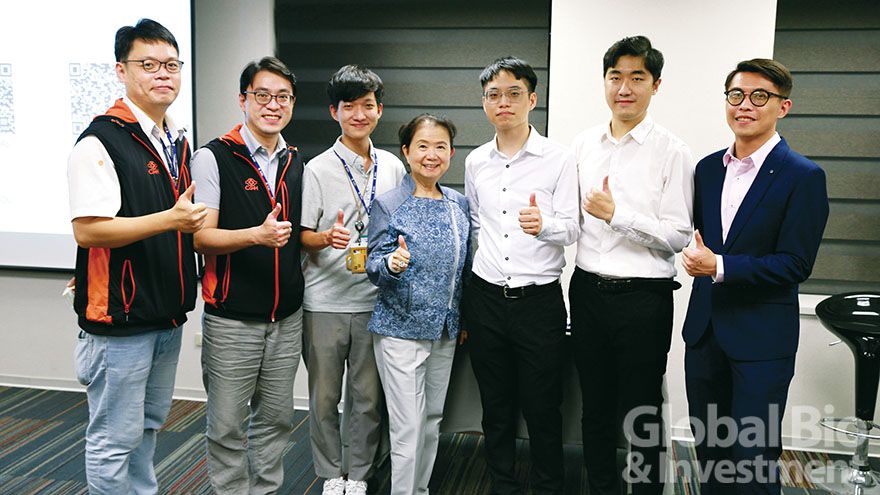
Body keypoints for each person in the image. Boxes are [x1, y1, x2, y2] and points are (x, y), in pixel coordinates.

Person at [68, 18, 205, 493]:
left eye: (171, 64)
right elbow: (88, 230)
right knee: (113, 439)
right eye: (148, 64)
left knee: (146, 429)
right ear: (121, 71)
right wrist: (171, 220)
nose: (163, 74)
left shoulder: (176, 140)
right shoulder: (100, 140)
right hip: (120, 320)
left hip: (165, 312)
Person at [681, 59, 829, 493]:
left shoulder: (804, 176)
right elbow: (702, 238)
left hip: (762, 342)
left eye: (759, 96)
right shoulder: (707, 169)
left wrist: (720, 266)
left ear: (783, 107)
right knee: (710, 454)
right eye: (736, 95)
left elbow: (796, 263)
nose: (745, 105)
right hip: (705, 333)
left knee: (753, 459)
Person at [568, 36, 693, 495]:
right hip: (587, 291)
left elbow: (678, 235)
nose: (624, 88)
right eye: (615, 77)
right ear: (604, 82)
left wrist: (616, 215)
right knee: (595, 407)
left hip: (644, 298)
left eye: (637, 78)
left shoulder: (673, 151)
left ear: (655, 85)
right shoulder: (583, 144)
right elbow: (570, 222)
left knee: (642, 411)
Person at [462, 56, 579, 495]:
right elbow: (476, 225)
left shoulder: (559, 159)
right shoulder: (476, 161)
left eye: (514, 93)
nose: (503, 102)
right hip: (486, 298)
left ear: (532, 99)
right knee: (495, 404)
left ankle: (548, 486)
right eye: (493, 95)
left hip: (539, 302)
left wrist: (543, 226)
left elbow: (573, 227)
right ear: (484, 103)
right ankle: (503, 484)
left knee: (543, 404)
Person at [190, 56, 304, 494]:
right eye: (263, 95)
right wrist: (256, 235)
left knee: (276, 421)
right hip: (232, 319)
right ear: (243, 100)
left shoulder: (294, 159)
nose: (273, 105)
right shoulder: (214, 157)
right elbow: (201, 238)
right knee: (227, 427)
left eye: (283, 97)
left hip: (286, 318)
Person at [300, 64, 406, 495]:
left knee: (367, 398)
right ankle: (330, 473)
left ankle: (359, 474)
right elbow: (302, 236)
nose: (359, 114)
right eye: (349, 106)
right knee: (324, 398)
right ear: (335, 112)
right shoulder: (317, 169)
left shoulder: (393, 166)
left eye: (367, 105)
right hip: (324, 301)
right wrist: (326, 237)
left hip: (374, 302)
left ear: (379, 110)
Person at [366, 114, 470, 495]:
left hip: (444, 330)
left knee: (431, 420)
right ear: (406, 152)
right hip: (400, 330)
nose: (431, 155)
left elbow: (463, 268)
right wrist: (391, 264)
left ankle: (419, 490)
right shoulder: (390, 203)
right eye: (422, 146)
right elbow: (373, 264)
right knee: (407, 428)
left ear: (451, 153)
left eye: (440, 146)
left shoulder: (459, 204)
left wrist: (461, 319)